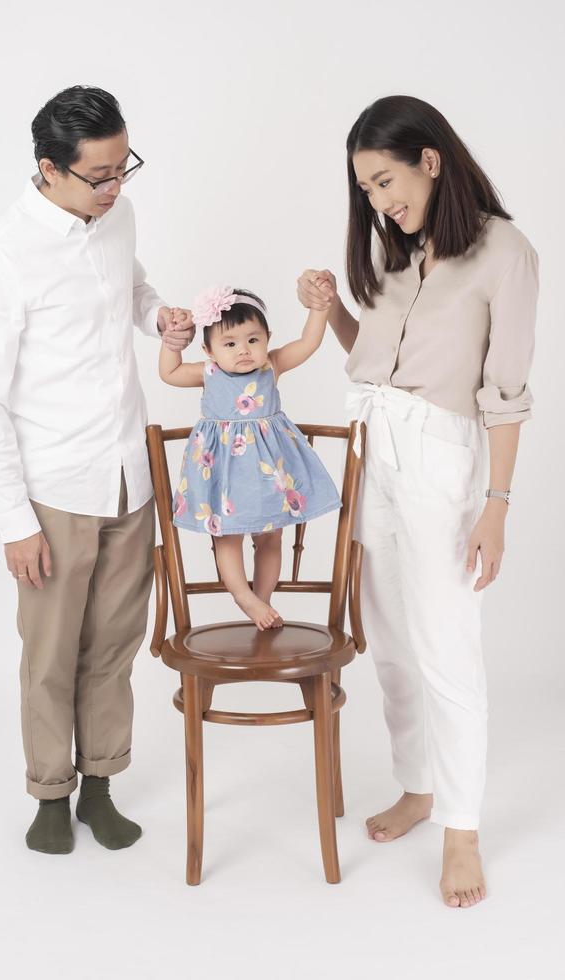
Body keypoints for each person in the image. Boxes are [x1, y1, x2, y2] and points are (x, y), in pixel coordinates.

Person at [297, 95, 538, 908]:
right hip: (374, 450)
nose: (378, 201)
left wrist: (496, 504)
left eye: (385, 180)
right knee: (392, 642)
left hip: (439, 457)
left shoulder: (506, 252)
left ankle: (462, 828)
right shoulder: (402, 254)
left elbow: (505, 393)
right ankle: (418, 784)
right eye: (365, 189)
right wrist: (331, 316)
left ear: (430, 159)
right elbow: (373, 355)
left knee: (447, 648)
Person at [0, 85, 194, 855]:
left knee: (115, 645)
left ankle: (101, 785)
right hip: (54, 488)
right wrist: (14, 521)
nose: (117, 185)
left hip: (130, 470)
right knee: (51, 653)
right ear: (49, 169)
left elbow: (133, 288)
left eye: (125, 166)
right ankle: (49, 796)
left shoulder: (115, 213)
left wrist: (160, 317)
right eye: (100, 174)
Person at [159, 285, 341, 630]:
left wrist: (320, 308)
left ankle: (263, 599)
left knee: (272, 537)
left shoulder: (272, 366)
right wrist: (170, 342)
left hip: (270, 475)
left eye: (253, 340)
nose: (243, 350)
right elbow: (168, 373)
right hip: (224, 475)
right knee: (227, 537)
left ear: (268, 339)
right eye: (230, 344)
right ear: (209, 350)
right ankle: (243, 595)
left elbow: (308, 343)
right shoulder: (208, 373)